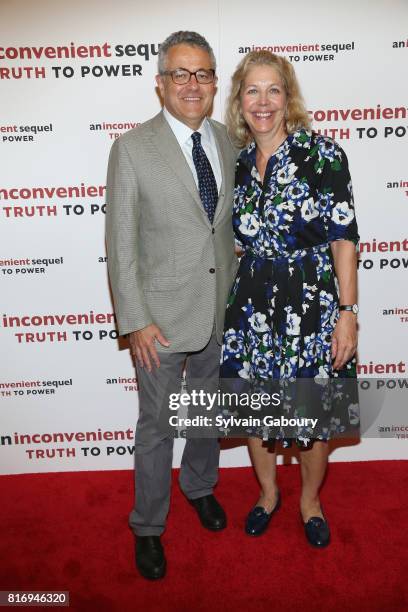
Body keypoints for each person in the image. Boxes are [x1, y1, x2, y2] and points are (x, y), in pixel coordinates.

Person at [106, 31, 238, 579]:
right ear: (160, 83)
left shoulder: (230, 140)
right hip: (158, 319)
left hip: (219, 311)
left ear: (213, 84)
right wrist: (135, 320)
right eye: (180, 74)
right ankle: (148, 526)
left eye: (202, 74)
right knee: (157, 426)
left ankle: (201, 486)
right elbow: (120, 242)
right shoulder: (132, 148)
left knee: (206, 416)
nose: (192, 84)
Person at [220, 51, 359, 547]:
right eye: (252, 90)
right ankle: (267, 493)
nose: (263, 101)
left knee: (312, 414)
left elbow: (344, 238)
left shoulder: (323, 155)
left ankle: (310, 501)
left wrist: (347, 314)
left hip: (313, 304)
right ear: (239, 100)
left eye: (273, 90)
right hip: (252, 302)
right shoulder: (234, 163)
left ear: (288, 97)